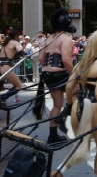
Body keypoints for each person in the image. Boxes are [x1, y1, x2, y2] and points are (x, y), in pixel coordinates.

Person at [50, 30, 97, 177]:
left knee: (81, 145)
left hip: (77, 106)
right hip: (95, 107)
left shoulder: (80, 64)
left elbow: (68, 87)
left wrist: (68, 107)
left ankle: (59, 170)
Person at [32, 8, 76, 144]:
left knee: (57, 105)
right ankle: (62, 118)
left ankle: (53, 136)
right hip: (61, 74)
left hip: (48, 75)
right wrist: (75, 73)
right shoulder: (66, 38)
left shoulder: (49, 38)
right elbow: (66, 60)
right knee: (78, 93)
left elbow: (41, 59)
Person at [0, 29, 24, 102]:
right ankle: (2, 98)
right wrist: (24, 53)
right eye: (18, 36)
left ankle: (3, 98)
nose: (19, 37)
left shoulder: (5, 44)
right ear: (15, 36)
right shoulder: (14, 42)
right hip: (6, 67)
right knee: (18, 86)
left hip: (2, 66)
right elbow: (21, 51)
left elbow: (10, 55)